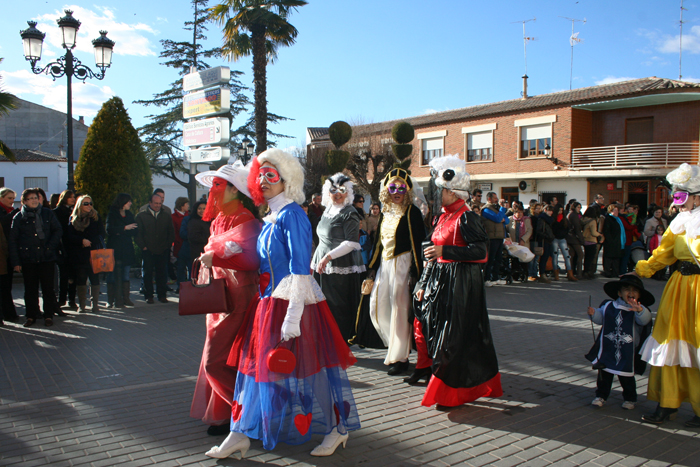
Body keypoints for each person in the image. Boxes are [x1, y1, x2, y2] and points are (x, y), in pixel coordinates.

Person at [206, 149, 359, 458]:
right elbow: (263, 263)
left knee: (311, 370)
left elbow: (300, 268)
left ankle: (336, 429)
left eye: (270, 175)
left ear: (286, 180)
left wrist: (292, 316)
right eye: (259, 175)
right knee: (254, 369)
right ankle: (239, 433)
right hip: (267, 305)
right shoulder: (271, 216)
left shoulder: (293, 214)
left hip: (294, 304)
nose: (263, 181)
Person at [413, 155, 502, 406]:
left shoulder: (467, 217)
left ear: (453, 192)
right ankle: (449, 386)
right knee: (435, 334)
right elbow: (432, 255)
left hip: (462, 285)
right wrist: (422, 284)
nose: (436, 195)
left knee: (451, 340)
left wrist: (446, 252)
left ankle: (450, 393)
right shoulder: (441, 217)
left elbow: (481, 253)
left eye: (440, 190)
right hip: (440, 284)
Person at [190, 163, 262, 437]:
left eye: (219, 185)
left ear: (236, 189)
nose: (213, 190)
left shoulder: (244, 219)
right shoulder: (220, 219)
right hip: (219, 295)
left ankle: (248, 410)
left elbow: (251, 261)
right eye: (213, 185)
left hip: (238, 298)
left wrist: (216, 257)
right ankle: (226, 417)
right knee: (224, 358)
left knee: (215, 360)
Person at [636, 163, 700, 428]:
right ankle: (667, 404)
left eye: (682, 195)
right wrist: (643, 268)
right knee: (670, 345)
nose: (677, 202)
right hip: (678, 287)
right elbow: (664, 253)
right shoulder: (679, 221)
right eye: (676, 195)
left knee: (696, 348)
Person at [358, 168, 426, 375]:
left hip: (403, 265)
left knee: (400, 310)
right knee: (377, 307)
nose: (397, 191)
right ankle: (394, 347)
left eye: (401, 187)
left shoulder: (412, 212)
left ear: (408, 190)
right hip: (385, 266)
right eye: (393, 187)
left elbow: (418, 243)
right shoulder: (386, 212)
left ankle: (401, 357)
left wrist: (417, 272)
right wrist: (372, 267)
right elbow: (378, 242)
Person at [311, 174, 366, 341]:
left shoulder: (350, 213)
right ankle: (327, 342)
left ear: (347, 192)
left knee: (337, 307)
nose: (337, 194)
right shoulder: (327, 210)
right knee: (323, 305)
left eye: (342, 190)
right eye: (333, 190)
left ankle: (339, 344)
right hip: (322, 264)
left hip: (340, 265)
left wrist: (327, 257)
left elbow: (351, 243)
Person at [586, 275, 653, 410]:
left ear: (639, 295)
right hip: (608, 349)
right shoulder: (609, 306)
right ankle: (601, 395)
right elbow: (601, 318)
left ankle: (630, 398)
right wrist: (594, 314)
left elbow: (644, 321)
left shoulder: (639, 309)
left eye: (635, 291)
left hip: (627, 351)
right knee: (604, 374)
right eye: (627, 289)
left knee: (626, 376)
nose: (631, 293)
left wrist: (640, 311)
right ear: (619, 293)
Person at [8, 189, 62, 326]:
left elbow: (57, 230)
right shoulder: (19, 217)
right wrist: (16, 262)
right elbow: (13, 240)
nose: (34, 200)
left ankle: (48, 315)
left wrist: (50, 247)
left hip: (46, 257)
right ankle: (31, 315)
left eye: (36, 198)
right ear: (24, 201)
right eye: (30, 198)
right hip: (28, 258)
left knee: (48, 288)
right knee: (30, 289)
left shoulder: (47, 213)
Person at [66, 194, 106, 313]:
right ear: (80, 205)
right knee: (81, 279)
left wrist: (91, 242)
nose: (89, 206)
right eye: (86, 203)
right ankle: (82, 305)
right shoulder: (73, 218)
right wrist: (81, 241)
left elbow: (101, 234)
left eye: (90, 203)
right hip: (79, 253)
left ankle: (95, 305)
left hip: (94, 252)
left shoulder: (96, 217)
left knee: (95, 279)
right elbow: (69, 236)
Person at [135, 193, 175, 304]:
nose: (158, 205)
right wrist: (143, 246)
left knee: (162, 273)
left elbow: (171, 232)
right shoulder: (141, 216)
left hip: (162, 249)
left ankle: (162, 295)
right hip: (148, 250)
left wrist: (167, 245)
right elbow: (138, 234)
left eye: (160, 203)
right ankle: (149, 295)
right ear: (150, 203)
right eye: (156, 203)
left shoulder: (166, 215)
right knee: (147, 273)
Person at [105, 193, 137, 309]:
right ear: (123, 202)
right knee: (112, 275)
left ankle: (125, 298)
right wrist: (124, 228)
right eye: (129, 201)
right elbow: (109, 230)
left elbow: (134, 230)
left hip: (127, 249)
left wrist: (121, 231)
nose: (130, 203)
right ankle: (111, 300)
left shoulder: (129, 214)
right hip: (115, 250)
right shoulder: (112, 214)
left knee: (125, 274)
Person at [53, 190, 76, 310]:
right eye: (70, 197)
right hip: (62, 246)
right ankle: (62, 299)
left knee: (73, 275)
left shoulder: (74, 211)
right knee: (63, 275)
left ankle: (72, 299)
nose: (73, 199)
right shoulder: (56, 212)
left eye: (73, 197)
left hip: (73, 246)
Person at [481, 192, 510, 286]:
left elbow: (507, 220)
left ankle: (495, 278)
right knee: (491, 259)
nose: (497, 200)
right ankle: (487, 278)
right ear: (489, 199)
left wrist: (502, 217)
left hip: (499, 237)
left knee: (498, 259)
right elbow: (498, 219)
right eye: (495, 198)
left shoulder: (496, 209)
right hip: (491, 237)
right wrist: (501, 210)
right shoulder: (486, 209)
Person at [0, 188, 19, 322]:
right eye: (9, 198)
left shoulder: (10, 212)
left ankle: (9, 313)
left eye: (13, 198)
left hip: (8, 253)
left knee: (7, 286)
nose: (12, 201)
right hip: (2, 254)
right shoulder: (6, 213)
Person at [551, 206, 577, 281]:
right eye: (559, 210)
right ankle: (556, 274)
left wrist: (564, 234)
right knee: (555, 256)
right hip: (555, 238)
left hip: (562, 238)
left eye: (562, 210)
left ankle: (570, 273)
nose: (560, 212)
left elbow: (568, 228)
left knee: (567, 256)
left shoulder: (564, 219)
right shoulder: (553, 219)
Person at [602, 204, 624, 278]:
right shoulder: (608, 219)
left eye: (617, 210)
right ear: (611, 211)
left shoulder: (618, 219)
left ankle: (615, 272)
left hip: (618, 242)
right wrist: (610, 240)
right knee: (609, 258)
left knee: (616, 259)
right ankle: (607, 272)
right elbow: (606, 231)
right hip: (611, 242)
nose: (617, 212)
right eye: (615, 210)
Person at [172, 196, 190, 290]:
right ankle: (180, 287)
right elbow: (173, 232)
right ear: (182, 205)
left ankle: (190, 286)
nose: (188, 206)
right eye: (187, 204)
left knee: (190, 268)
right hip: (179, 245)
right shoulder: (174, 217)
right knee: (180, 268)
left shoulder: (188, 215)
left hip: (188, 245)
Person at [582, 208, 604, 279]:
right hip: (591, 240)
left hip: (585, 239)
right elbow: (594, 232)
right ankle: (588, 272)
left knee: (586, 257)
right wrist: (600, 235)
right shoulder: (592, 221)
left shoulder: (583, 219)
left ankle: (585, 271)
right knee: (591, 257)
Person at [535, 205, 555, 283]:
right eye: (549, 210)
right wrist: (547, 236)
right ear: (545, 210)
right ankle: (542, 274)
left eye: (552, 211)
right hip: (544, 240)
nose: (551, 212)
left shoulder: (550, 219)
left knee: (547, 257)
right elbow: (539, 231)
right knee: (543, 257)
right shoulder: (542, 219)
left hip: (549, 240)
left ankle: (545, 273)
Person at [567, 202, 585, 280]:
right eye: (578, 207)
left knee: (572, 255)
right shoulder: (574, 215)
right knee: (580, 255)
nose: (579, 209)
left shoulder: (570, 214)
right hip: (573, 238)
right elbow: (577, 228)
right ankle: (579, 273)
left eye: (580, 207)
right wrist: (582, 239)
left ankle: (570, 272)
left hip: (569, 237)